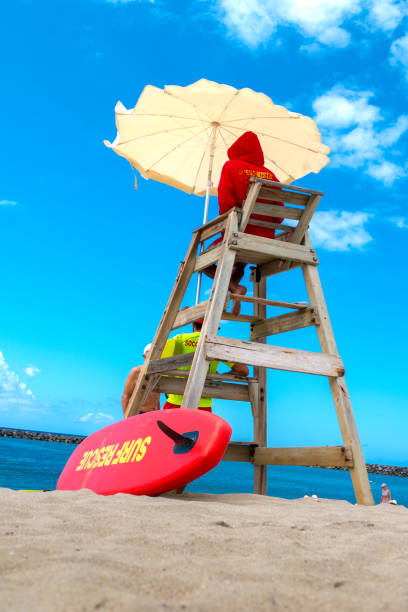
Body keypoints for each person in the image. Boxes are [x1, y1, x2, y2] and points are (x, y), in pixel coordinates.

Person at [203, 131, 284, 316]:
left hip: (240, 234)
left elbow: (226, 206)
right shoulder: (270, 175)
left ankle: (233, 287)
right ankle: (234, 288)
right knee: (238, 262)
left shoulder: (231, 167)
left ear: (236, 148)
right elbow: (279, 217)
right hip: (265, 240)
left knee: (203, 259)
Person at [161, 319, 249, 411]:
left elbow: (158, 360)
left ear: (194, 325)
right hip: (204, 404)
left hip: (176, 401)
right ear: (214, 329)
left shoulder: (180, 339)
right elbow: (243, 370)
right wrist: (219, 376)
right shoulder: (217, 344)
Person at [121, 343, 161, 417]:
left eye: (156, 354)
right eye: (151, 354)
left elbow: (156, 399)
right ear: (144, 357)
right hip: (139, 414)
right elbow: (125, 396)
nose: (154, 357)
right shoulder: (136, 371)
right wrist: (126, 419)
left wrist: (158, 414)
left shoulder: (159, 373)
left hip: (154, 415)